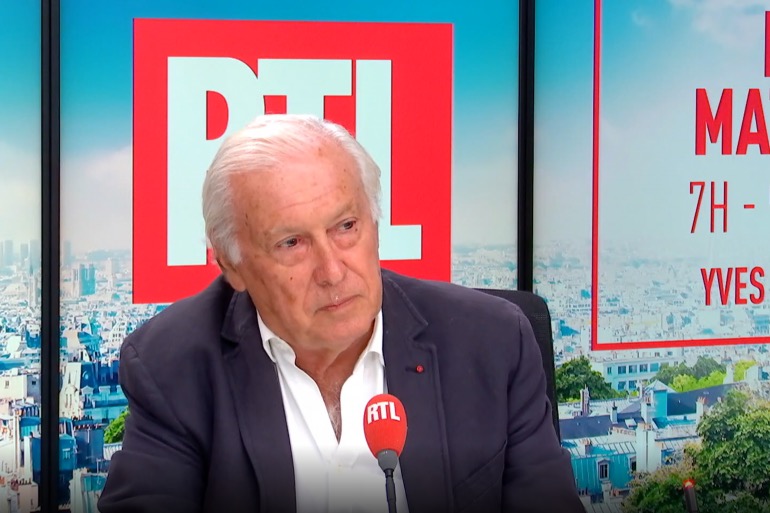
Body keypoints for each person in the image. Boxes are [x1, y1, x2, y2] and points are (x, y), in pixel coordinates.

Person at [98, 114, 583, 513]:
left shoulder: (491, 343)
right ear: (232, 266)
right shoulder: (173, 365)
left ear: (375, 222)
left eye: (346, 226)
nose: (332, 271)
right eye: (291, 242)